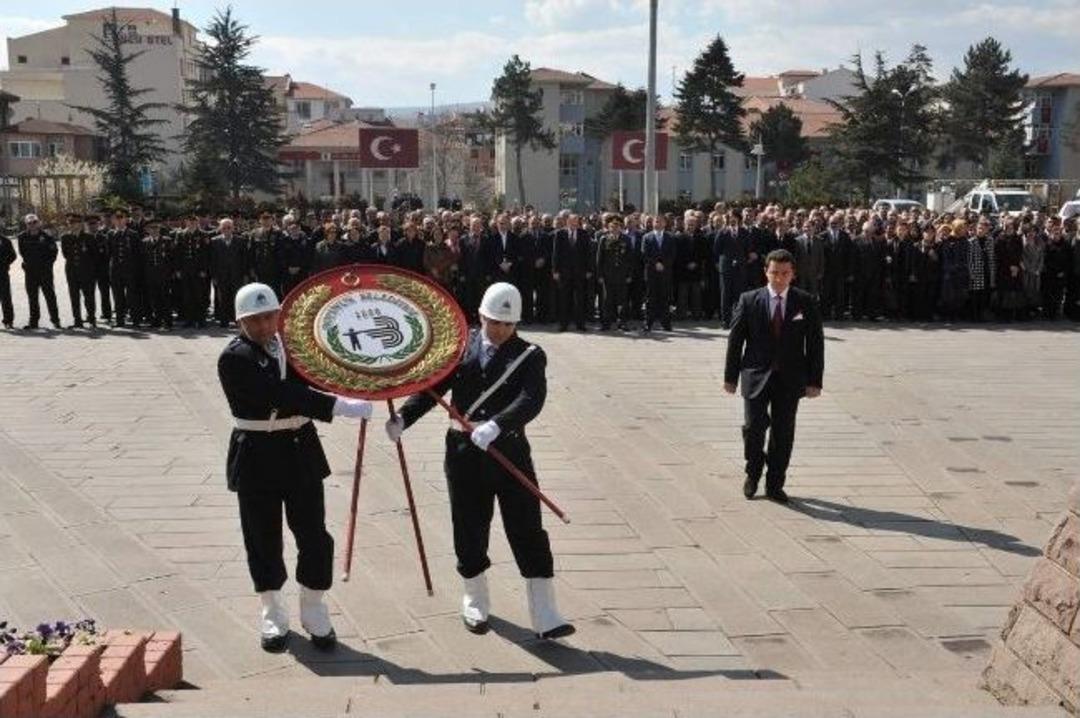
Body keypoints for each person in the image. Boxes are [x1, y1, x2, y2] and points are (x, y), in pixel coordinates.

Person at [386, 282, 574, 640]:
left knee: (527, 526)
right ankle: (475, 600)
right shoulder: (460, 346)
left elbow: (531, 398)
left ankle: (545, 613)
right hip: (464, 452)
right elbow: (433, 388)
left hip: (509, 450)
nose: (501, 330)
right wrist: (404, 419)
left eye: (508, 324)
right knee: (469, 525)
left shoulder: (530, 354)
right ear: (481, 316)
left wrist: (498, 424)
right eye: (494, 322)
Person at [217, 282, 373, 652]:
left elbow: (320, 374)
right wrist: (337, 406)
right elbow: (281, 393)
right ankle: (272, 611)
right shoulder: (234, 358)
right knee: (262, 537)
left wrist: (360, 379)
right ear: (240, 322)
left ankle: (314, 608)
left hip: (299, 450)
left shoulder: (291, 349)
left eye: (269, 317)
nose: (263, 326)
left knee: (314, 535)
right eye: (254, 320)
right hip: (257, 454)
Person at [724, 249, 824, 503]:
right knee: (753, 428)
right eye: (774, 273)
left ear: (793, 274)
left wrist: (814, 381)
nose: (779, 279)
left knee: (783, 432)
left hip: (790, 378)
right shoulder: (749, 300)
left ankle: (775, 482)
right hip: (755, 375)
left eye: (785, 273)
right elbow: (735, 341)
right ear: (765, 272)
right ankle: (753, 471)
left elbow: (815, 343)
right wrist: (730, 377)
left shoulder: (805, 301)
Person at [16, 213, 61, 330]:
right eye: (29, 223)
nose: (32, 225)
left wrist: (47, 265)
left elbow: (54, 252)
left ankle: (55, 320)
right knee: (32, 297)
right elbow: (22, 252)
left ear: (39, 223)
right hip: (30, 272)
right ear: (26, 224)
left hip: (45, 272)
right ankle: (34, 322)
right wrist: (28, 264)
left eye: (34, 222)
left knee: (50, 296)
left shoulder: (47, 236)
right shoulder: (22, 237)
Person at [642, 214, 676, 332]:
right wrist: (656, 263)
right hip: (651, 272)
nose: (658, 223)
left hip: (665, 272)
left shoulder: (670, 237)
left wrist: (664, 264)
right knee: (650, 298)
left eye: (661, 221)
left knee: (665, 298)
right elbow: (645, 254)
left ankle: (666, 323)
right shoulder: (647, 237)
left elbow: (672, 254)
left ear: (665, 223)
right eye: (656, 221)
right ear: (653, 223)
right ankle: (648, 323)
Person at [0, 229, 15, 328]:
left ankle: (8, 321)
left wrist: (5, 264)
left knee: (6, 298)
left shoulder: (5, 241)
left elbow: (13, 255)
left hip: (2, 273)